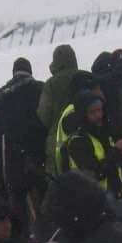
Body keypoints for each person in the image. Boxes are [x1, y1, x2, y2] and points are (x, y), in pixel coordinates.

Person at [0, 59, 47, 235]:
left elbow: (0, 127)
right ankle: (46, 231)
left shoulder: (2, 96)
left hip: (13, 155)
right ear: (29, 71)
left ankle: (20, 236)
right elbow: (44, 118)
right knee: (42, 192)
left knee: (18, 198)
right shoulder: (39, 89)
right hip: (37, 150)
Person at [64, 91, 122, 203]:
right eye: (92, 112)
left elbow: (115, 165)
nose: (98, 115)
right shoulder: (78, 141)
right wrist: (116, 151)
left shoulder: (106, 133)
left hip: (116, 195)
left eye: (100, 110)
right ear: (83, 114)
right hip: (92, 201)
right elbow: (94, 173)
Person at [37, 44, 79, 175]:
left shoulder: (51, 84)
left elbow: (44, 115)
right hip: (83, 136)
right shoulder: (84, 77)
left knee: (59, 184)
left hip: (57, 140)